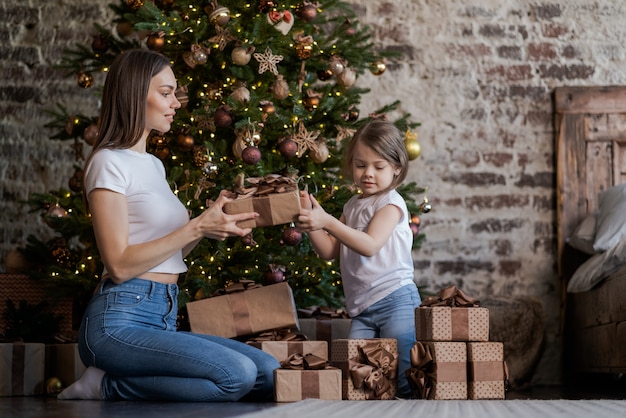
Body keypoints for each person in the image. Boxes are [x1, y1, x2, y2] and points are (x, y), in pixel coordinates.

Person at [57, 49, 279, 402]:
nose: (176, 102)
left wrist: (209, 225)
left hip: (162, 314)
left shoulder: (154, 166)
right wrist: (195, 228)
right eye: (166, 92)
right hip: (117, 321)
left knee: (269, 372)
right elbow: (119, 264)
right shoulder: (107, 163)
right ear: (134, 93)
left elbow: (166, 252)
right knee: (237, 376)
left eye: (175, 92)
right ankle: (103, 385)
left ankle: (112, 380)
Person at [297, 119, 421, 398]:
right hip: (362, 308)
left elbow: (370, 245)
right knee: (359, 378)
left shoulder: (390, 203)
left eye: (379, 167)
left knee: (403, 377)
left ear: (397, 168)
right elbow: (329, 251)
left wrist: (327, 221)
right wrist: (312, 222)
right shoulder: (352, 205)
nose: (368, 173)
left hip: (396, 299)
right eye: (360, 164)